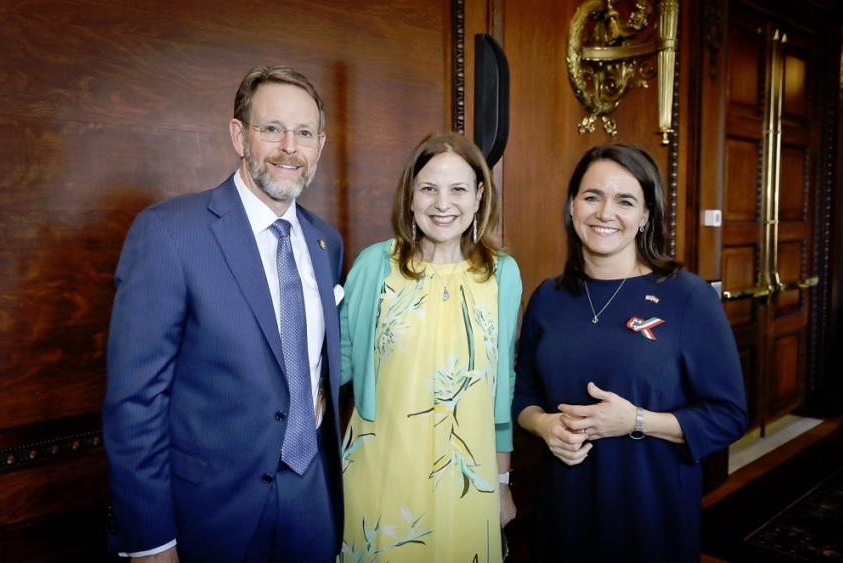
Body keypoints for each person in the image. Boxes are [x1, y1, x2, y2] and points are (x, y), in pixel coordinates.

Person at [103, 65, 344, 563]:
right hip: (211, 515)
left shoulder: (326, 242)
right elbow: (135, 401)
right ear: (239, 135)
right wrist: (151, 540)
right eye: (271, 129)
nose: (288, 148)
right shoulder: (169, 233)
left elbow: (301, 359)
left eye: (304, 133)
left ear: (320, 144)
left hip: (313, 502)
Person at [512, 142, 748, 562]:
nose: (605, 213)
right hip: (564, 512)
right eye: (591, 197)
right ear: (571, 207)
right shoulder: (547, 297)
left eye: (625, 201)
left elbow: (728, 415)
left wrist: (636, 421)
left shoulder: (686, 297)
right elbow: (523, 397)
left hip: (651, 516)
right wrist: (546, 425)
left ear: (645, 216)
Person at [339, 132, 522, 562]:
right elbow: (337, 363)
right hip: (382, 474)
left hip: (468, 480)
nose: (443, 204)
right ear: (410, 196)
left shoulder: (502, 275)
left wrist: (502, 482)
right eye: (428, 189)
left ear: (479, 197)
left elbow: (501, 392)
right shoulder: (374, 265)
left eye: (458, 189)